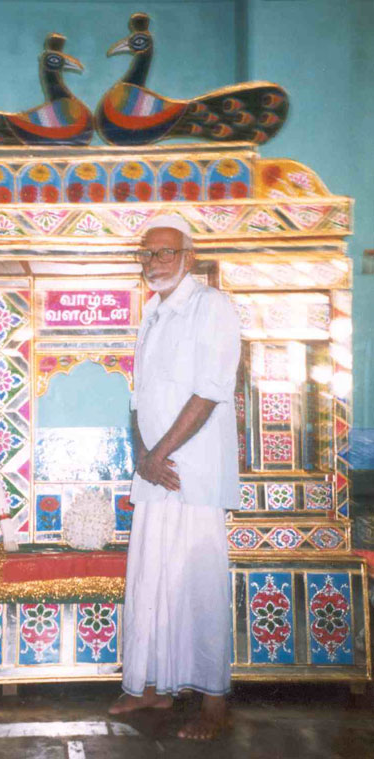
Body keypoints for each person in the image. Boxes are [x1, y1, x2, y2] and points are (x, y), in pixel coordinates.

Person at [108, 215, 241, 740]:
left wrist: (158, 454)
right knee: (150, 579)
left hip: (193, 474)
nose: (154, 262)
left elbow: (210, 391)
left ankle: (213, 703)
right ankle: (149, 689)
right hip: (155, 473)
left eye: (164, 253)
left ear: (189, 256)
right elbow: (139, 400)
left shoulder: (212, 306)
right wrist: (143, 456)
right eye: (147, 254)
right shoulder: (153, 313)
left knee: (198, 583)